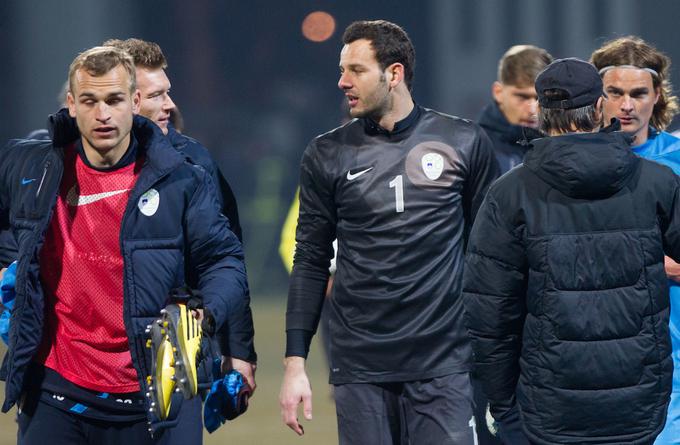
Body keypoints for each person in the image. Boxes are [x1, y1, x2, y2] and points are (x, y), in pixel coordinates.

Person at [0, 46, 248, 444]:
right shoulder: (31, 166)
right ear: (71, 104)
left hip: (156, 396)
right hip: (57, 393)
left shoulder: (181, 179)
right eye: (90, 101)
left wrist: (205, 315)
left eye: (114, 100)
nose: (103, 114)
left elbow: (225, 261)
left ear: (133, 101)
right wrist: (7, 268)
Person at [279, 20, 499, 444]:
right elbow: (309, 260)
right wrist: (295, 364)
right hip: (361, 367)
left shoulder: (464, 142)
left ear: (394, 73)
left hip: (445, 363)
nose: (342, 81)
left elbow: (489, 256)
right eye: (342, 70)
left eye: (356, 70)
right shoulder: (326, 154)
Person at [463, 57, 680, 444]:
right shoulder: (658, 183)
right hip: (641, 406)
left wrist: (501, 405)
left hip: (548, 408)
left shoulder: (509, 194)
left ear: (542, 114)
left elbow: (489, 314)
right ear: (600, 108)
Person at [591, 36, 680, 444]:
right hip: (595, 354)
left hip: (674, 354)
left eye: (638, 93)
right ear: (598, 95)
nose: (627, 105)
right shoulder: (571, 165)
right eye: (615, 92)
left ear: (656, 95)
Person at [478, 45, 553, 174]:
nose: (532, 110)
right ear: (498, 92)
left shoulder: (564, 148)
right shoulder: (473, 149)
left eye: (540, 98)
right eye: (522, 97)